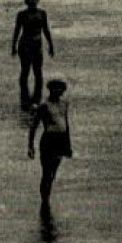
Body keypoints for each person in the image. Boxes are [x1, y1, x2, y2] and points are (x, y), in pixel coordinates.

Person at [26, 79, 73, 211]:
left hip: (60, 140)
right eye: (55, 89)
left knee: (53, 173)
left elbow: (66, 124)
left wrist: (68, 145)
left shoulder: (64, 104)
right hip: (48, 140)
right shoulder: (44, 106)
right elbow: (34, 126)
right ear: (50, 90)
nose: (58, 92)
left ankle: (47, 195)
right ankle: (44, 200)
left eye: (60, 89)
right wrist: (30, 146)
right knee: (47, 172)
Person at [10, 0, 55, 110]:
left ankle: (37, 98)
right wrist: (13, 46)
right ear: (26, 2)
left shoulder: (42, 13)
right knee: (25, 70)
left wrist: (51, 45)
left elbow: (46, 30)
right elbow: (17, 30)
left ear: (37, 0)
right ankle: (24, 98)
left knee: (38, 71)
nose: (32, 2)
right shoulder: (22, 14)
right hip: (25, 45)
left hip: (37, 45)